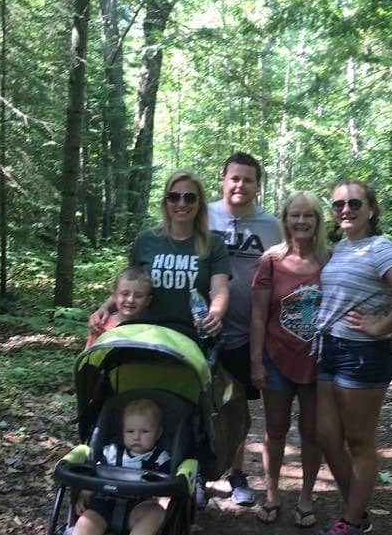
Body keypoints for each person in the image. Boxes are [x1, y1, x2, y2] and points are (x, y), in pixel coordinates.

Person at [314, 180, 392, 535]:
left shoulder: (380, 248)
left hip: (361, 355)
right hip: (329, 349)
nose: (345, 209)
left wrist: (380, 325)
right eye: (338, 204)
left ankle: (352, 519)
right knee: (327, 436)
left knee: (359, 441)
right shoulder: (342, 249)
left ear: (371, 209)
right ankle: (357, 510)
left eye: (354, 203)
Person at [249, 192, 327, 527]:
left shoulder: (331, 259)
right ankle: (272, 493)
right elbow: (257, 315)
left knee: (313, 432)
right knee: (276, 429)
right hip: (276, 356)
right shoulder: (271, 260)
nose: (301, 222)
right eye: (295, 215)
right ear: (285, 220)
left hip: (318, 361)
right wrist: (256, 362)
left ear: (318, 220)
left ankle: (306, 497)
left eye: (308, 215)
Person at [208, 152, 281, 506]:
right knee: (197, 403)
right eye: (234, 178)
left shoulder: (271, 226)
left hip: (247, 331)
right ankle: (197, 474)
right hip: (201, 328)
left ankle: (236, 473)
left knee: (236, 406)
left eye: (247, 179)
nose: (240, 185)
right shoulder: (201, 215)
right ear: (223, 180)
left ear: (257, 185)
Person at [88, 171, 230, 344]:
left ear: (199, 203)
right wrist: (104, 309)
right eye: (174, 197)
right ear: (166, 202)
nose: (182, 203)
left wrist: (215, 313)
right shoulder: (146, 240)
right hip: (144, 334)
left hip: (190, 338)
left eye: (190, 197)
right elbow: (130, 284)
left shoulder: (214, 244)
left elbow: (219, 290)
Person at [59, 398, 171, 535]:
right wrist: (86, 491)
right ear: (122, 432)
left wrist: (165, 498)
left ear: (158, 433)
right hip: (104, 504)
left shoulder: (161, 459)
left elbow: (166, 484)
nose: (136, 437)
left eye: (144, 431)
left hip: (137, 508)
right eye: (130, 431)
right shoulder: (110, 452)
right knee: (83, 528)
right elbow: (94, 474)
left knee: (156, 512)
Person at [85, 267, 152, 348]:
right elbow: (89, 356)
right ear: (114, 295)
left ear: (147, 300)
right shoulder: (101, 325)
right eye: (125, 294)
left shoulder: (148, 330)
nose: (130, 300)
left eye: (138, 296)